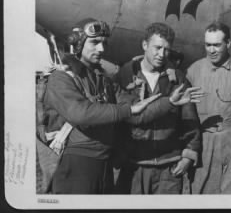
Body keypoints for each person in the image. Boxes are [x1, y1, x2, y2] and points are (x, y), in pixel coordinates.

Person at [43, 18, 164, 194]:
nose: (101, 49)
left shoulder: (103, 79)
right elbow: (80, 113)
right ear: (78, 43)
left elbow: (133, 105)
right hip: (77, 164)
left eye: (103, 43)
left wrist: (171, 101)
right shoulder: (61, 78)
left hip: (104, 165)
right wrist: (128, 110)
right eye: (94, 42)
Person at [114, 22, 202, 194]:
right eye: (157, 48)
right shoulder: (125, 76)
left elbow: (190, 120)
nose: (162, 54)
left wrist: (188, 155)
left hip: (168, 169)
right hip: (134, 166)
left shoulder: (177, 78)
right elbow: (121, 119)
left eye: (166, 49)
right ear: (144, 45)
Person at [186, 21, 231, 194]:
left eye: (217, 45)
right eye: (208, 45)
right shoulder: (194, 70)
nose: (212, 50)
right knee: (201, 194)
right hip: (204, 141)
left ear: (228, 44)